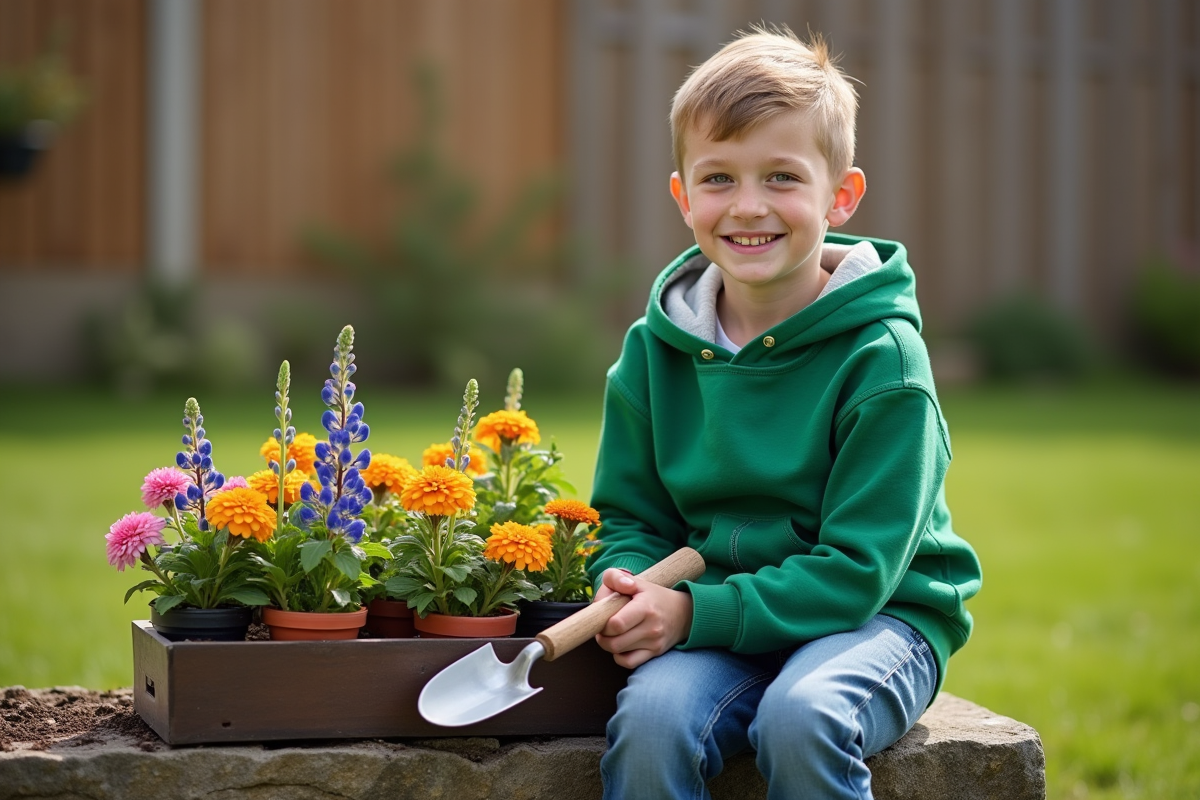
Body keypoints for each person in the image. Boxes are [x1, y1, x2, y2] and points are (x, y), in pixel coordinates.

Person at [585, 26, 983, 800]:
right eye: (719, 179)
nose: (748, 207)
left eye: (781, 177)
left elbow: (858, 571)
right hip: (719, 620)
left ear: (841, 194)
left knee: (802, 719)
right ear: (683, 195)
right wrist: (626, 583)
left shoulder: (882, 360)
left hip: (874, 620)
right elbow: (631, 516)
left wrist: (694, 614)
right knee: (653, 720)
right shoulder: (653, 351)